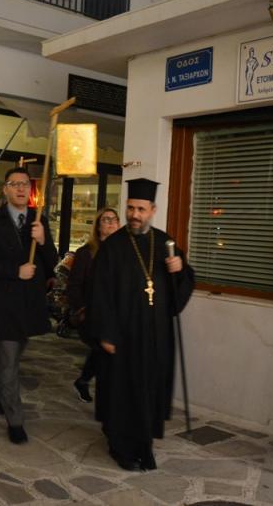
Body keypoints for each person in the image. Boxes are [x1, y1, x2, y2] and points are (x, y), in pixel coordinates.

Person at [90, 178, 194, 471]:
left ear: (153, 210)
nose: (134, 215)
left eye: (141, 209)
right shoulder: (113, 247)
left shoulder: (164, 243)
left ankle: (143, 444)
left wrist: (179, 271)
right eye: (130, 208)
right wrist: (106, 333)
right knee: (122, 392)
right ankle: (120, 446)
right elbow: (98, 292)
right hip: (123, 336)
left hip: (155, 336)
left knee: (148, 391)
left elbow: (181, 285)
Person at [0, 167, 58, 444]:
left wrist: (43, 241)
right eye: (15, 184)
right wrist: (15, 271)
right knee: (9, 361)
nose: (21, 189)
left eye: (25, 184)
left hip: (28, 304)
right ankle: (15, 420)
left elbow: (52, 262)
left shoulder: (38, 220)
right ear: (5, 189)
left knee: (11, 355)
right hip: (2, 303)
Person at [69, 207, 120, 403]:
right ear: (98, 226)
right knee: (103, 349)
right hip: (91, 312)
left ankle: (84, 381)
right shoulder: (86, 253)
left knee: (104, 352)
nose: (111, 223)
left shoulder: (123, 252)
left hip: (115, 313)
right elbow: (74, 285)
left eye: (114, 219)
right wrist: (81, 309)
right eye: (106, 219)